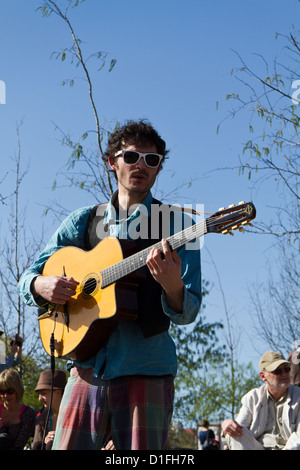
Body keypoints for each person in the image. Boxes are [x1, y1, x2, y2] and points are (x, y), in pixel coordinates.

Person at [17, 119, 202, 450]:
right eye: (131, 157)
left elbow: (187, 312)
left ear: (160, 168)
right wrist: (42, 285)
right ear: (111, 162)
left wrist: (173, 287)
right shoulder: (84, 220)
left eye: (151, 160)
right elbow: (29, 276)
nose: (140, 166)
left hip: (148, 372)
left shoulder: (177, 226)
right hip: (85, 369)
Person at [222, 350, 300, 450]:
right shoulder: (252, 398)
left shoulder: (298, 396)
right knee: (233, 432)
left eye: (287, 369)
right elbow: (239, 427)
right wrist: (226, 424)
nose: (284, 374)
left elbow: (298, 437)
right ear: (263, 376)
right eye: (277, 371)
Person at [0, 368, 36, 450]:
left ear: (17, 389)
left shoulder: (28, 414)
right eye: (2, 392)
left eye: (10, 391)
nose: (5, 396)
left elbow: (19, 445)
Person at [32, 369, 67, 450]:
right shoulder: (43, 417)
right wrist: (45, 441)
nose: (39, 399)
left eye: (43, 393)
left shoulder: (73, 414)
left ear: (58, 392)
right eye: (39, 394)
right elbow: (36, 444)